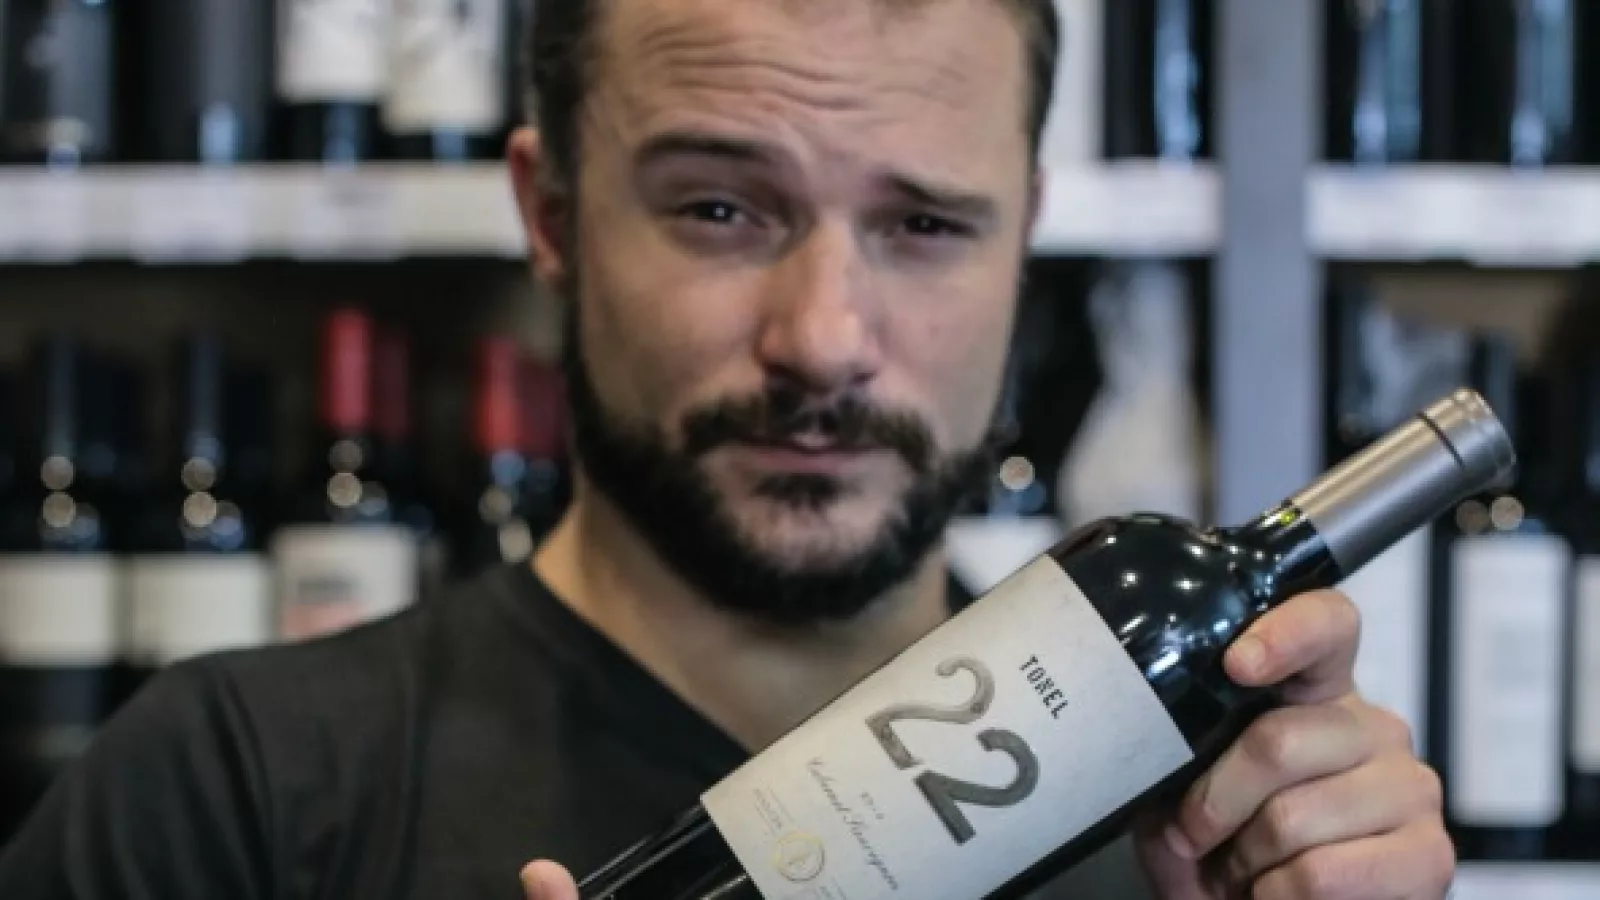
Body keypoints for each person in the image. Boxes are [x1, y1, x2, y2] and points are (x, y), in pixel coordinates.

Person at [0, 1, 1456, 898]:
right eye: (719, 209)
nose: (822, 338)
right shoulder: (232, 798)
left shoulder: (1206, 853)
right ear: (553, 216)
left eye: (923, 225)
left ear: (1025, 235)